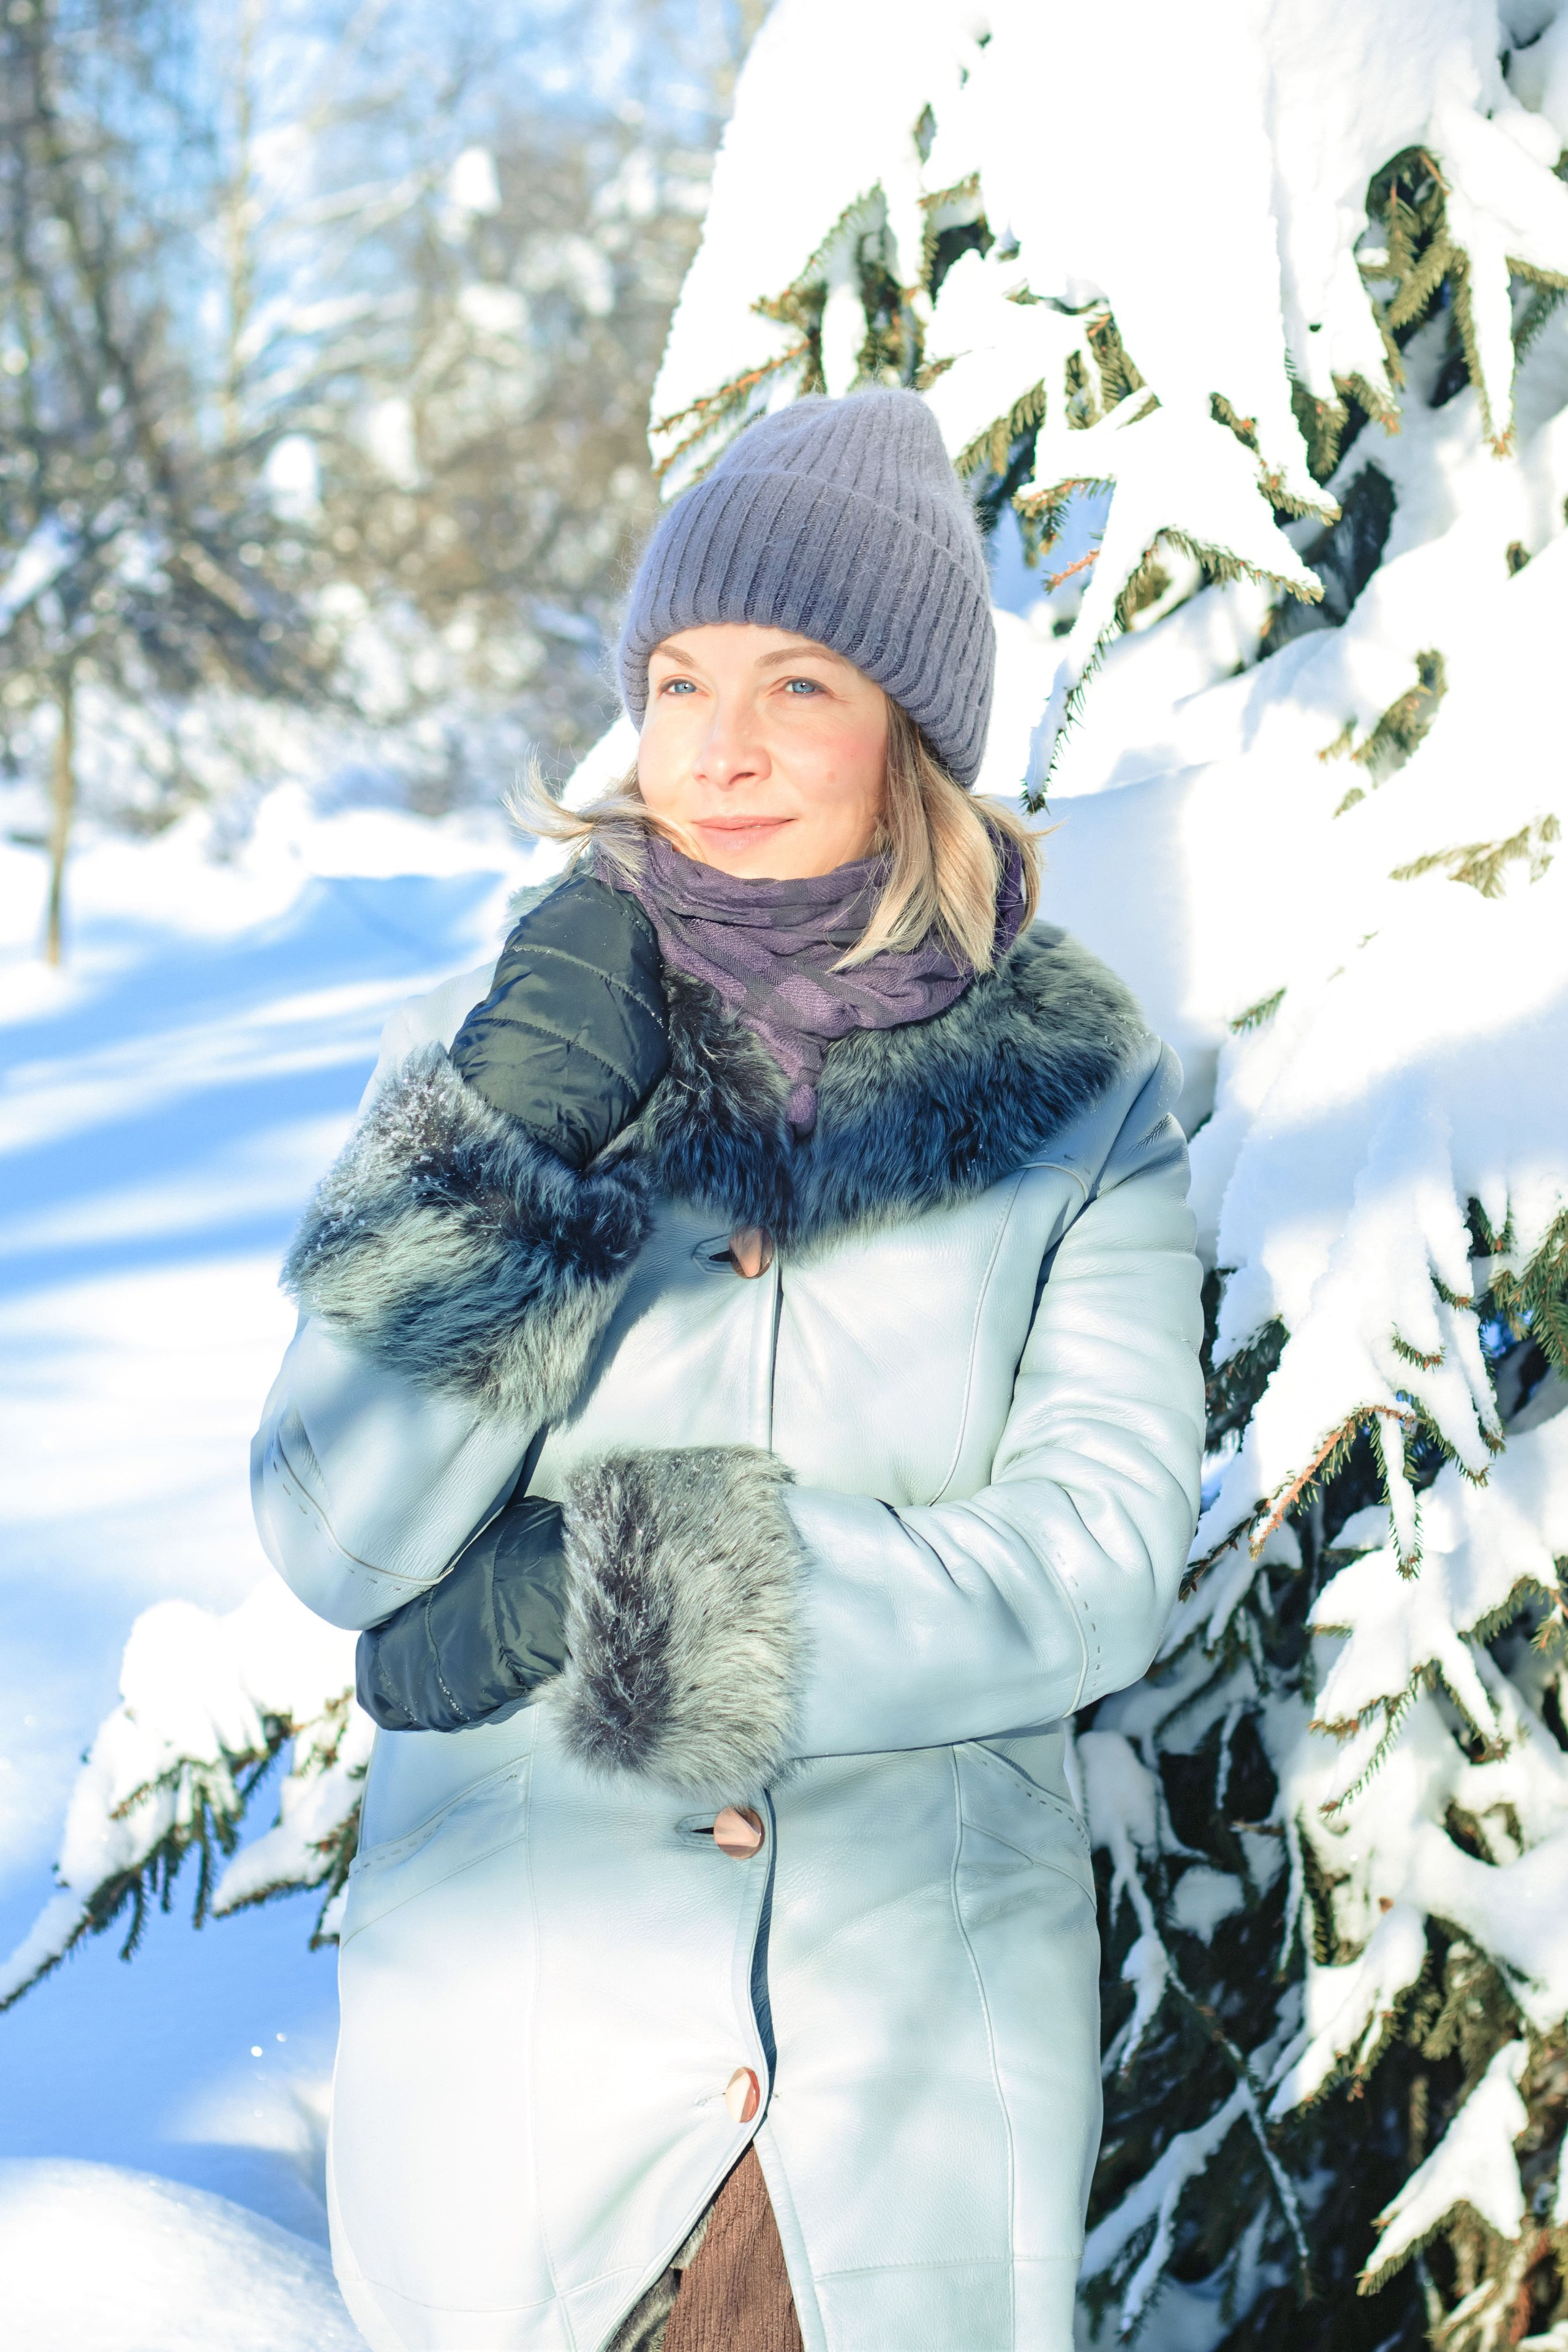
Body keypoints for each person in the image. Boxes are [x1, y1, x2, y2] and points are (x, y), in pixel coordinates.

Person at [251, 388, 1206, 2352]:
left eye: (800, 685)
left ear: (911, 736)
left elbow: (1095, 1561)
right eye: (680, 682)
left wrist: (639, 1590)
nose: (723, 749)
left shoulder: (1082, 1096)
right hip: (531, 2084)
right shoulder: (494, 1036)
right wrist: (515, 1137)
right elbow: (333, 1531)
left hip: (897, 2102)